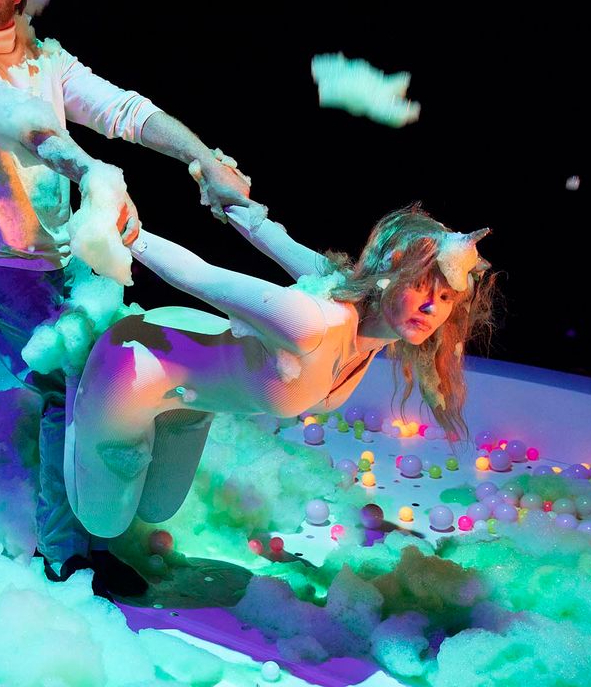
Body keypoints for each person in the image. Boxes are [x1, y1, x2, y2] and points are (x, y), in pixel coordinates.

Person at [0, 0, 251, 597]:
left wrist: (203, 159)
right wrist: (95, 176)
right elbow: (8, 115)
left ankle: (100, 526)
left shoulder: (47, 60)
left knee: (115, 376)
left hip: (50, 255)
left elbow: (123, 110)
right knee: (71, 386)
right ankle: (66, 556)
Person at [64, 201, 495, 539]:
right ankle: (66, 389)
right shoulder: (312, 323)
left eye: (444, 297)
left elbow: (276, 240)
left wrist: (233, 201)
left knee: (157, 509)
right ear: (388, 275)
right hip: (135, 365)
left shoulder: (362, 315)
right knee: (104, 523)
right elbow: (201, 276)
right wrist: (129, 233)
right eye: (419, 287)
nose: (430, 307)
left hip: (192, 398)